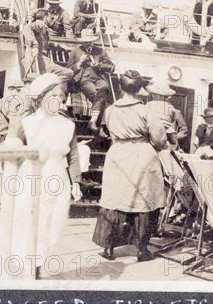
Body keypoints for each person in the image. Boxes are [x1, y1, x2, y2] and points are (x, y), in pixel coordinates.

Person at [0, 73, 82, 279]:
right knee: (30, 222)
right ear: (41, 97)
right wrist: (3, 184)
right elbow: (12, 154)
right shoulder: (27, 123)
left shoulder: (68, 125)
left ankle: (39, 263)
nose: (60, 100)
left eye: (62, 96)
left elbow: (73, 154)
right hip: (30, 177)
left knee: (53, 225)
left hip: (58, 178)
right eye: (55, 95)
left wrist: (76, 181)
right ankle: (29, 267)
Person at [92, 70, 167, 262]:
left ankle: (108, 248)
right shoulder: (147, 112)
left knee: (114, 199)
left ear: (120, 87)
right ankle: (142, 250)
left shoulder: (109, 111)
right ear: (140, 88)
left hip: (117, 155)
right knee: (144, 201)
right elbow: (159, 140)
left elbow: (107, 131)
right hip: (142, 155)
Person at [66, 36, 115, 132]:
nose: (88, 44)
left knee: (105, 87)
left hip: (99, 78)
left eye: (90, 41)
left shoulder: (100, 51)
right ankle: (100, 126)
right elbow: (68, 69)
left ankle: (93, 121)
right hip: (84, 78)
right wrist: (79, 63)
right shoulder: (76, 51)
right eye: (85, 42)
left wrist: (100, 65)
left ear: (93, 41)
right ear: (83, 42)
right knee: (98, 94)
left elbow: (112, 67)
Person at [26, 10, 74, 85]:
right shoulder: (38, 24)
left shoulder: (42, 27)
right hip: (40, 60)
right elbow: (28, 29)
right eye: (50, 17)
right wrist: (35, 45)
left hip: (44, 59)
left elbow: (45, 43)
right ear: (45, 17)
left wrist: (61, 46)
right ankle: (47, 86)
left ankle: (49, 84)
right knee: (69, 73)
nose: (51, 20)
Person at [144, 78, 188, 150]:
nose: (153, 96)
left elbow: (184, 129)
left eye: (155, 94)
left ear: (162, 96)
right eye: (153, 94)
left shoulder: (173, 110)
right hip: (152, 141)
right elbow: (184, 130)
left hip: (164, 143)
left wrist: (174, 136)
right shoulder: (148, 106)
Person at [0, 79, 29, 145]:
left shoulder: (13, 101)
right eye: (19, 90)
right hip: (1, 137)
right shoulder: (4, 101)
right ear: (11, 90)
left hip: (7, 136)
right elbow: (14, 118)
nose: (20, 93)